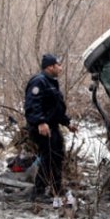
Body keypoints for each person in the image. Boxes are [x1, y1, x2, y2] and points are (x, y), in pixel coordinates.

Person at [24, 54, 78, 206]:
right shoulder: (38, 82)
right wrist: (40, 122)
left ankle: (56, 189)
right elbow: (32, 105)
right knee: (48, 158)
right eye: (58, 65)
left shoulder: (51, 83)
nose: (61, 68)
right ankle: (39, 193)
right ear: (50, 67)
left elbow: (56, 109)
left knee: (57, 157)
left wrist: (67, 123)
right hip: (41, 128)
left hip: (52, 127)